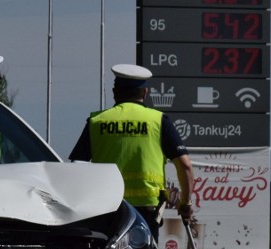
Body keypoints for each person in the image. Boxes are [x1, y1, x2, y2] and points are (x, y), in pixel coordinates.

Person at [69, 63, 194, 238]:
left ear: (115, 91)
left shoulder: (96, 121)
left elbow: (77, 166)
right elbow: (185, 166)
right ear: (145, 93)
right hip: (147, 209)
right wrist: (185, 204)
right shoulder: (158, 121)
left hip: (108, 207)